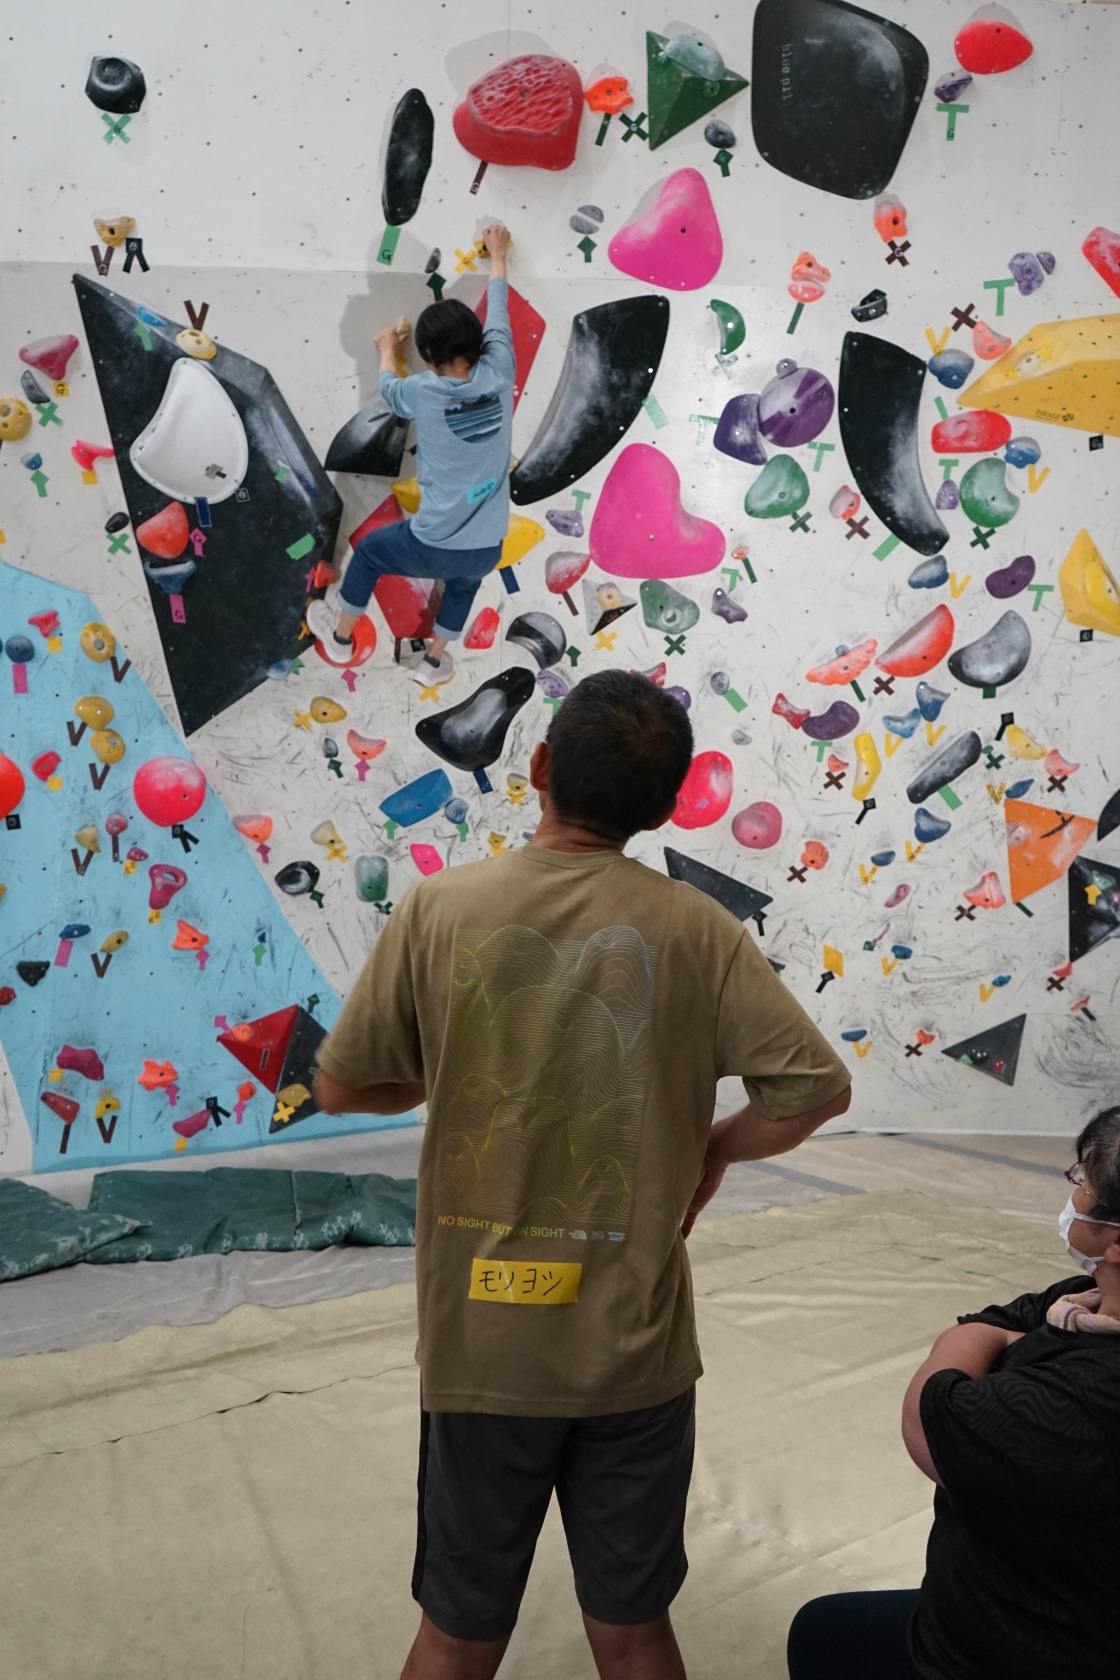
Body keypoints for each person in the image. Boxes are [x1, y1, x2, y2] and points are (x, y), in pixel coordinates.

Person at [314, 669, 853, 1680]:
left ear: (539, 766)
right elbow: (816, 1090)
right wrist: (715, 1150)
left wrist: (452, 1070)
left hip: (482, 1346)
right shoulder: (698, 929)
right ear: (665, 809)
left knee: (455, 1635)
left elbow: (342, 1086)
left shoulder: (439, 907)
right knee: (636, 1631)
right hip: (631, 1351)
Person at [787, 1105, 1120, 1680]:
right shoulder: (1082, 1296)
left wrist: (981, 1340)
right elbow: (1004, 1315)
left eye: (1084, 1183)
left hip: (1013, 1647)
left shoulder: (1081, 1402)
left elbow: (933, 1409)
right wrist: (999, 1335)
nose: (1074, 1194)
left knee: (820, 1637)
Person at [308, 222, 515, 686]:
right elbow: (499, 311)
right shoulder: (501, 368)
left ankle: (340, 636)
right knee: (463, 585)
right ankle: (434, 661)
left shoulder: (422, 390)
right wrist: (498, 255)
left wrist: (386, 350)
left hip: (433, 541)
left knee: (369, 553)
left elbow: (388, 388)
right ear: (479, 343)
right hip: (488, 546)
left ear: (427, 358)